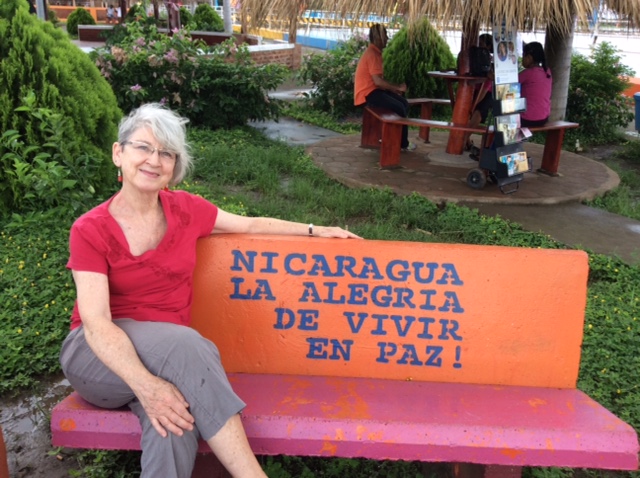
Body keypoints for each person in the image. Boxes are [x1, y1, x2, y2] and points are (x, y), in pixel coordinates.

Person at [59, 103, 362, 478]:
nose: (154, 160)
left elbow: (250, 226)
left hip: (170, 367)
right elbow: (97, 324)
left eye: (166, 153)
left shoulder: (186, 210)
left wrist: (317, 230)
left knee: (173, 426)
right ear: (118, 154)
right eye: (143, 147)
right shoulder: (90, 229)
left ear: (175, 166)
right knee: (187, 345)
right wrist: (149, 387)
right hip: (97, 360)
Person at [354, 23, 416, 152]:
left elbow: (379, 82)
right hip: (367, 94)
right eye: (385, 35)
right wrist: (398, 87)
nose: (387, 38)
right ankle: (401, 144)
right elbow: (378, 82)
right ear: (378, 37)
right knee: (399, 107)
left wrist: (395, 89)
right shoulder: (373, 54)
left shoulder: (374, 52)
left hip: (373, 91)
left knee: (403, 103)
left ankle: (396, 140)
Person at [463, 33, 494, 157]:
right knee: (467, 110)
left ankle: (464, 139)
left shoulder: (491, 62)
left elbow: (486, 86)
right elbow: (471, 80)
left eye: (481, 45)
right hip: (476, 90)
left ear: (488, 46)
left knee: (478, 111)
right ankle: (466, 140)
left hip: (488, 93)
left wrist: (475, 103)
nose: (479, 47)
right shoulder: (475, 58)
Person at [519, 41, 552, 127]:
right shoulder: (547, 71)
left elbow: (508, 83)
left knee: (503, 113)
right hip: (543, 118)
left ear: (529, 57)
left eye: (523, 56)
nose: (522, 59)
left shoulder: (528, 73)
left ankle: (502, 140)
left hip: (528, 119)